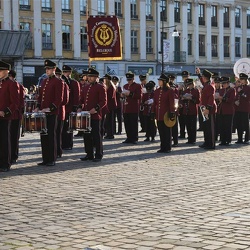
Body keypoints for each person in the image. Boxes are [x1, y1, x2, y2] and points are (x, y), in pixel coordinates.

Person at [34, 59, 64, 166]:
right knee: (44, 135)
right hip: (43, 113)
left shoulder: (59, 81)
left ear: (54, 69)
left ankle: (52, 159)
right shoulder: (44, 81)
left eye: (49, 69)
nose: (47, 71)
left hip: (52, 113)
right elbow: (41, 97)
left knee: (51, 135)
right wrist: (38, 107)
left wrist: (50, 108)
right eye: (46, 69)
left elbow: (59, 99)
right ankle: (45, 158)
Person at [79, 68, 107, 162]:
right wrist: (79, 107)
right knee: (86, 135)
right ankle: (89, 154)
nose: (89, 78)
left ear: (96, 78)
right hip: (86, 115)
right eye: (89, 76)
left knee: (96, 136)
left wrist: (96, 109)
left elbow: (103, 101)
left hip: (95, 115)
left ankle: (98, 154)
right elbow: (82, 99)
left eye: (92, 76)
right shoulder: (86, 87)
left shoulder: (100, 87)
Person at [0, 61, 19, 172]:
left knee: (5, 140)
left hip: (5, 117)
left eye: (1, 71)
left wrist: (5, 112)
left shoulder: (12, 84)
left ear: (7, 71)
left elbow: (15, 103)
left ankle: (5, 163)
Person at [152, 74, 175, 153]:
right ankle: (162, 146)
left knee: (167, 131)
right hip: (159, 114)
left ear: (164, 82)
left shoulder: (169, 91)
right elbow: (155, 103)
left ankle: (167, 147)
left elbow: (171, 102)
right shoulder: (157, 91)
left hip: (166, 114)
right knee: (161, 131)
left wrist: (172, 112)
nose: (159, 82)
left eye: (160, 80)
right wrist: (153, 112)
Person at [61, 65, 80, 149]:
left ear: (70, 73)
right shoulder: (62, 82)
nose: (65, 74)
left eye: (66, 72)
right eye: (64, 72)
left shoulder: (74, 83)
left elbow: (76, 96)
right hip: (63, 108)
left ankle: (69, 144)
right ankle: (62, 143)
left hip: (70, 108)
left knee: (69, 127)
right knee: (62, 127)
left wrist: (75, 107)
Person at [8, 69, 25, 164]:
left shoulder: (18, 86)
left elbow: (20, 102)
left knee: (14, 136)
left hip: (15, 115)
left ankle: (14, 155)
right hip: (10, 115)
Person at [121, 72, 142, 144]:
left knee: (133, 124)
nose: (129, 81)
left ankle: (134, 138)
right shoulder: (125, 86)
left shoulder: (137, 86)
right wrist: (122, 95)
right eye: (128, 80)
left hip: (133, 107)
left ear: (133, 79)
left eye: (130, 80)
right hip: (126, 107)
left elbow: (139, 96)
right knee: (127, 124)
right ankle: (129, 137)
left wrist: (130, 94)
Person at [198, 69, 217, 150]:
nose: (202, 77)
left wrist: (208, 108)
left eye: (202, 76)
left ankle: (211, 144)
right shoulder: (206, 84)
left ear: (205, 77)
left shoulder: (210, 86)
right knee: (206, 127)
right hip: (204, 108)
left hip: (209, 109)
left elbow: (211, 98)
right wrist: (198, 74)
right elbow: (202, 82)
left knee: (210, 127)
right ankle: (206, 142)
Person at [217, 76, 236, 146]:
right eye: (222, 83)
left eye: (224, 83)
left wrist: (223, 98)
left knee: (228, 126)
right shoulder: (221, 90)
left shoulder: (232, 90)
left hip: (228, 110)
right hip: (221, 110)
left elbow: (231, 100)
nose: (223, 84)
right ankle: (222, 140)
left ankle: (228, 140)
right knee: (222, 126)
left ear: (228, 83)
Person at [55, 67, 69, 158]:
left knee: (58, 133)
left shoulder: (63, 84)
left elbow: (64, 101)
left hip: (59, 112)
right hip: (51, 112)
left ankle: (58, 151)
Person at [181, 78, 200, 144]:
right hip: (186, 110)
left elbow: (198, 101)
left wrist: (191, 98)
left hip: (193, 110)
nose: (189, 86)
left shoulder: (196, 91)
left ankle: (193, 139)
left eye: (190, 84)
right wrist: (184, 98)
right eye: (188, 85)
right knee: (188, 125)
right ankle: (189, 138)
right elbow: (182, 99)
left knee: (193, 126)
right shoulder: (185, 91)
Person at [234, 73, 250, 144]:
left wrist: (241, 92)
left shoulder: (248, 88)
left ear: (246, 80)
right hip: (238, 108)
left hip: (245, 108)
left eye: (242, 79)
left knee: (245, 124)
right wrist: (235, 101)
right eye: (240, 79)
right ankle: (239, 138)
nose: (241, 80)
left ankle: (247, 139)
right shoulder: (238, 87)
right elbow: (235, 96)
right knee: (238, 124)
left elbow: (247, 98)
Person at [75, 70, 89, 137]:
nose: (83, 78)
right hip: (82, 103)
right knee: (80, 118)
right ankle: (80, 131)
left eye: (84, 76)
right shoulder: (82, 84)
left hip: (88, 105)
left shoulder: (88, 84)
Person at [103, 74, 117, 139]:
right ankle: (108, 133)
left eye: (105, 79)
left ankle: (110, 134)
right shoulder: (108, 86)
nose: (104, 80)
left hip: (110, 106)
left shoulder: (111, 87)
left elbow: (110, 96)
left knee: (110, 120)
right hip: (108, 106)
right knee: (108, 121)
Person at [168, 74, 179, 146]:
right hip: (167, 111)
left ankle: (175, 141)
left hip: (174, 111)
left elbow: (176, 102)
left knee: (174, 127)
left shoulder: (175, 92)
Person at [178, 70, 190, 138]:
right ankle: (182, 133)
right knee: (181, 120)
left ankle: (189, 134)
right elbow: (178, 95)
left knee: (188, 121)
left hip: (187, 105)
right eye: (184, 77)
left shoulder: (191, 84)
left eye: (186, 77)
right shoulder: (181, 85)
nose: (185, 78)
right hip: (181, 105)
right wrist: (179, 90)